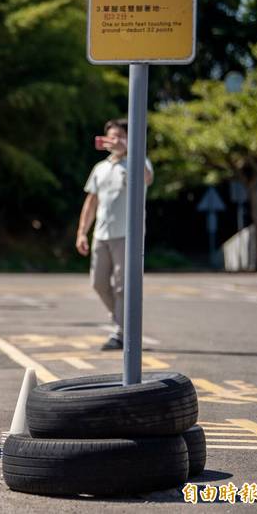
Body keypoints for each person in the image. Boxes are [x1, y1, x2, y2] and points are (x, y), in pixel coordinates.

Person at [76, 118, 153, 351]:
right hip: (101, 233)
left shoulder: (138, 162)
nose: (116, 140)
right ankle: (125, 323)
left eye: (120, 135)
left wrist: (130, 153)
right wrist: (82, 232)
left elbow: (147, 177)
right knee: (98, 283)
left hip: (126, 234)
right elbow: (91, 201)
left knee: (122, 286)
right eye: (112, 135)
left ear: (129, 139)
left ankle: (120, 332)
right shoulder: (100, 168)